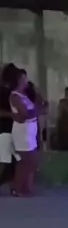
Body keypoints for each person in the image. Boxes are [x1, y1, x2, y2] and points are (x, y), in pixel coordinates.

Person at [9, 68, 40, 196]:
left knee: (29, 160)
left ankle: (24, 187)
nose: (26, 80)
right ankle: (17, 187)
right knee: (27, 160)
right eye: (23, 78)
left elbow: (35, 109)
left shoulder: (25, 95)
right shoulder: (14, 96)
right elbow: (25, 113)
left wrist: (37, 109)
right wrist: (38, 110)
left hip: (30, 131)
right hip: (22, 132)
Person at [0, 63, 16, 187]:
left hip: (9, 129)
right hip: (5, 129)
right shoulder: (5, 92)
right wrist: (14, 115)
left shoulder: (12, 93)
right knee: (4, 159)